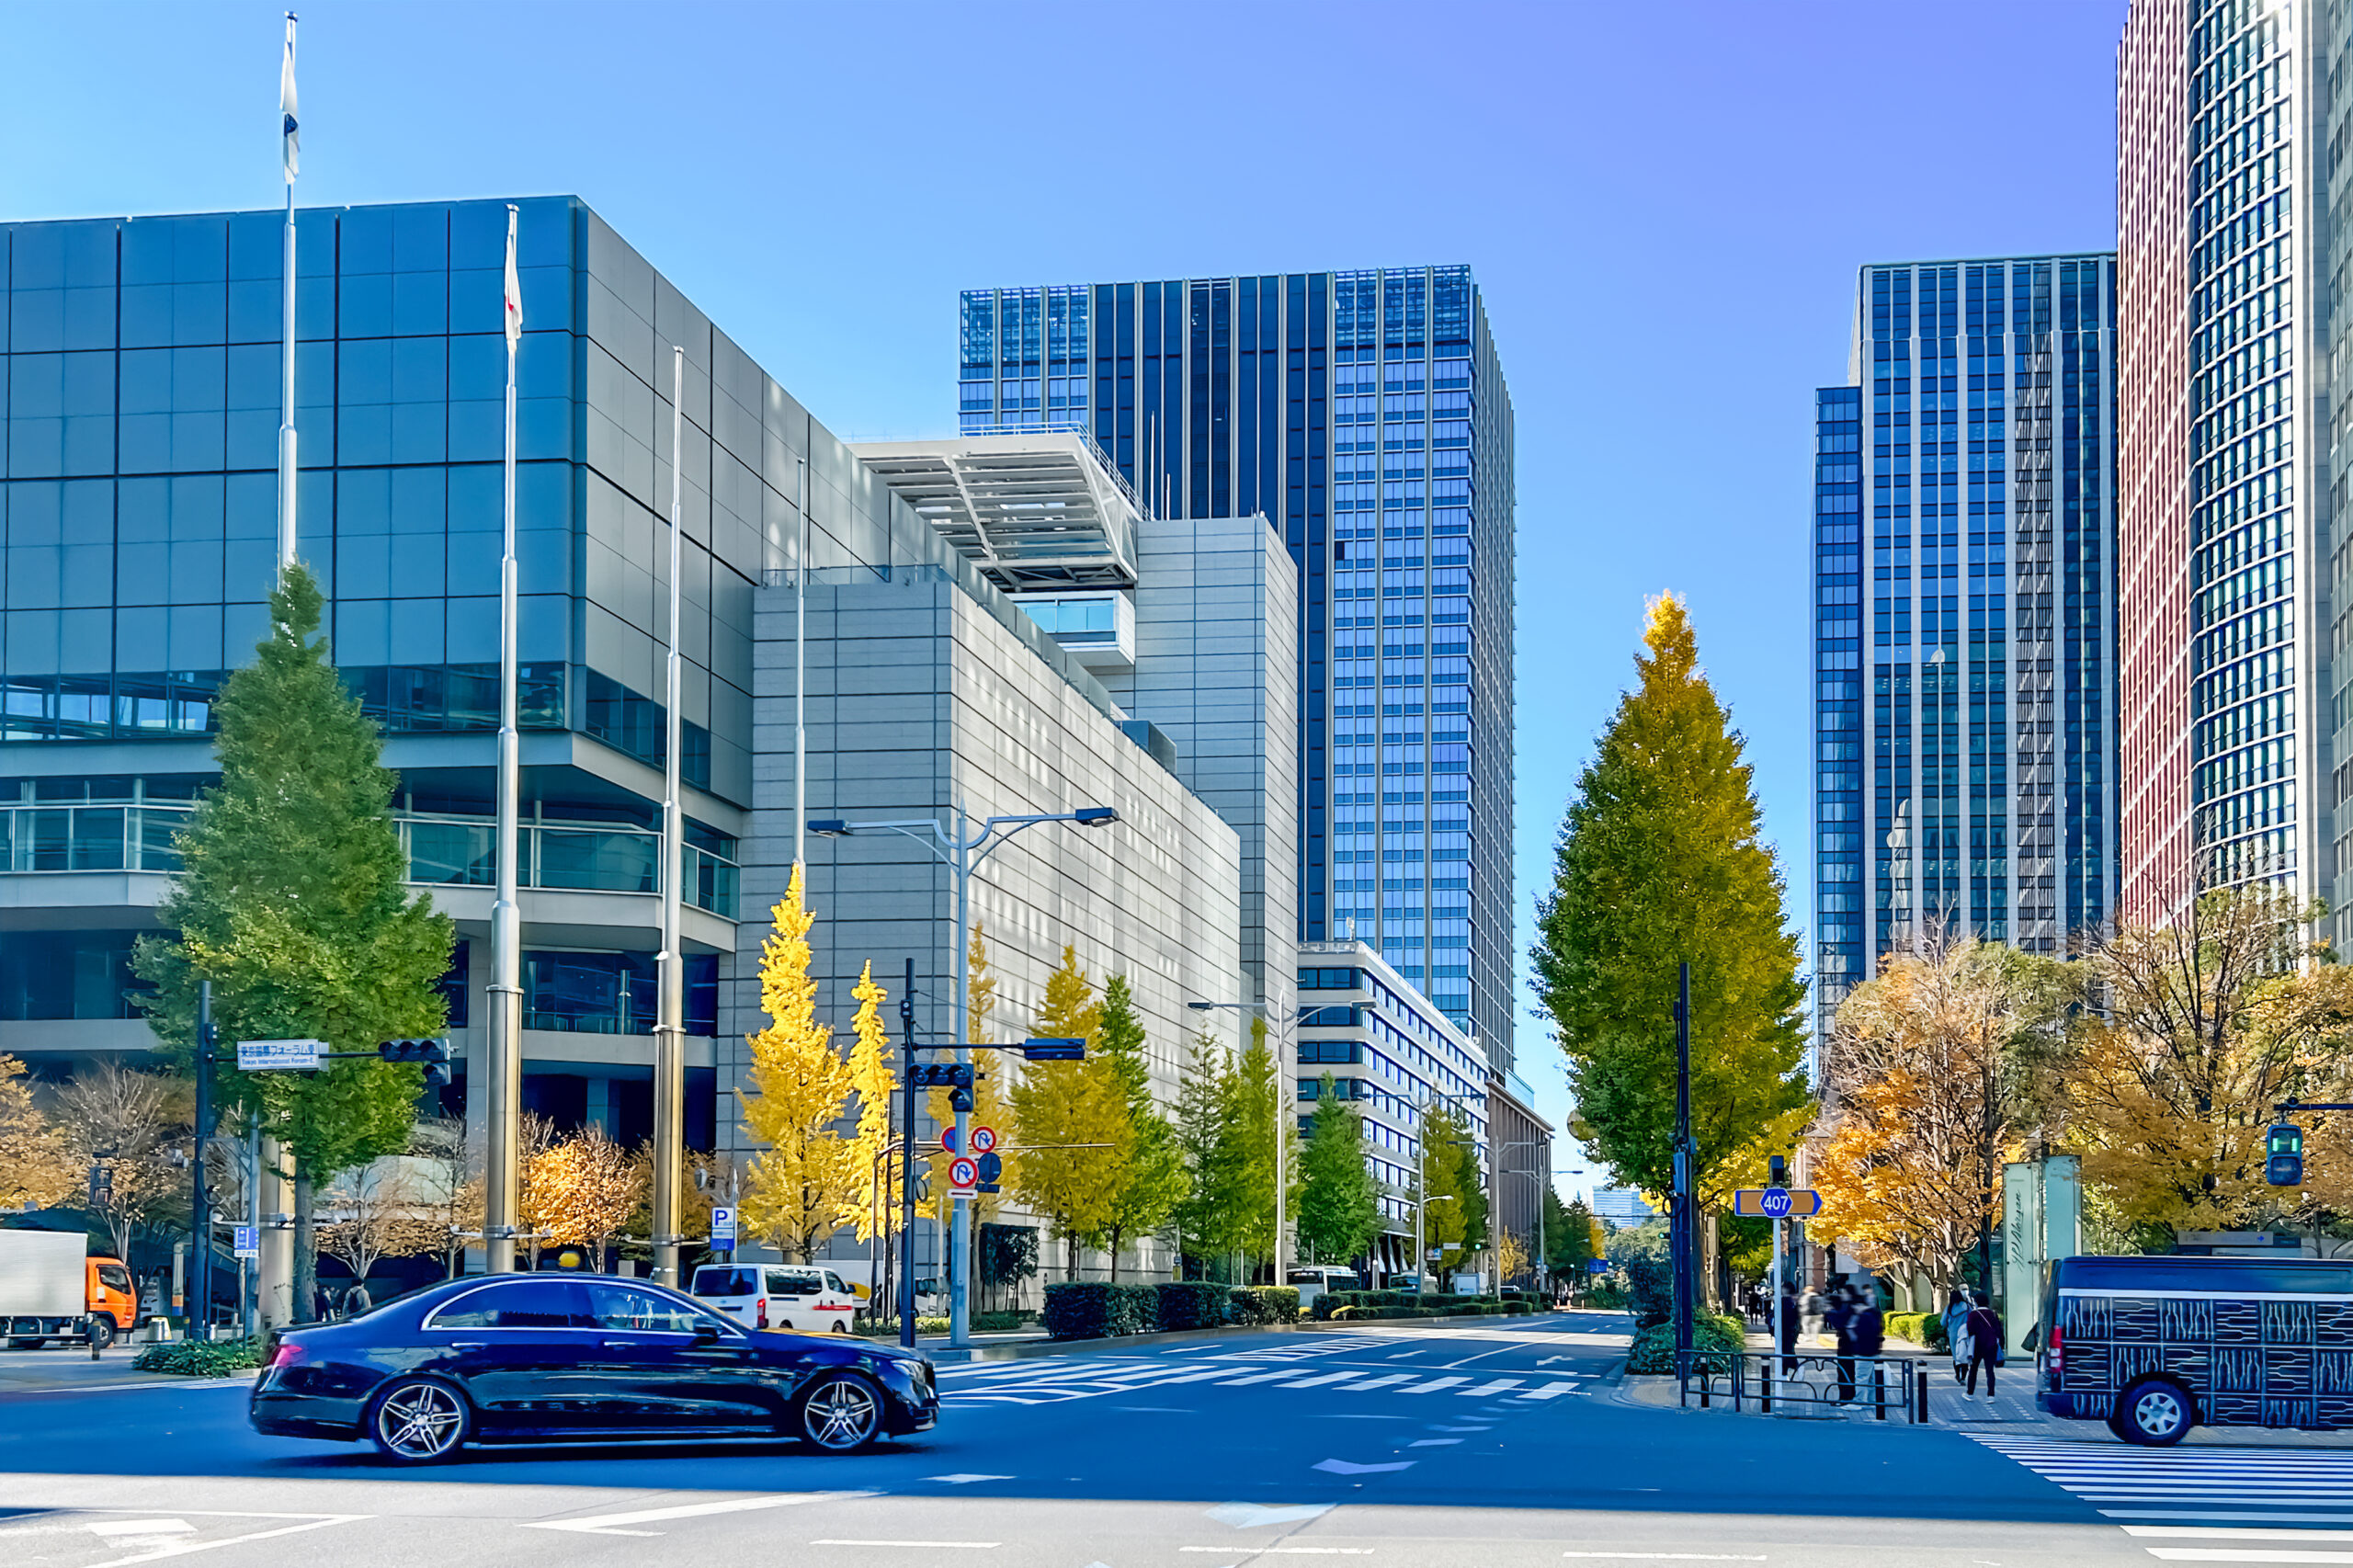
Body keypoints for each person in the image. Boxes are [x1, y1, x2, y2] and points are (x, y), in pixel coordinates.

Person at [1962, 1290, 2003, 1399]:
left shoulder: (1973, 1314)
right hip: (1991, 1345)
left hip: (1977, 1345)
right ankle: (1991, 1395)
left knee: (1973, 1369)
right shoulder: (1993, 1314)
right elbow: (1999, 1330)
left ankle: (1970, 1393)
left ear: (1976, 1302)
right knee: (1990, 1370)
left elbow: (1970, 1330)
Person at [1849, 1286, 1886, 1406]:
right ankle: (1873, 1401)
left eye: (1855, 1306)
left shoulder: (1864, 1317)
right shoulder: (1874, 1314)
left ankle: (1858, 1401)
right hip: (1874, 1350)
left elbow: (1858, 1333)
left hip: (1864, 1350)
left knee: (1861, 1377)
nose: (1854, 1308)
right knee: (1872, 1378)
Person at [1827, 1282, 1859, 1402]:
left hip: (1847, 1343)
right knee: (1846, 1370)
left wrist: (1831, 1314)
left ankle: (1846, 1396)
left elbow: (1841, 1323)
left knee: (1845, 1370)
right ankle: (1846, 1396)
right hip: (1847, 1343)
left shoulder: (1850, 1307)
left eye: (1844, 1293)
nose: (1842, 1295)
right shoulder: (1851, 1305)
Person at [1942, 1290, 1972, 1384]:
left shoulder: (1949, 1308)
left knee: (1956, 1356)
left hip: (1953, 1334)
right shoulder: (1967, 1307)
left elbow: (1942, 1322)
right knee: (1964, 1354)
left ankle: (1957, 1375)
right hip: (1965, 1334)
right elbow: (1972, 1319)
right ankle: (1963, 1377)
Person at [1777, 1283, 1802, 1377]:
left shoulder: (1784, 1300)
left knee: (1786, 1350)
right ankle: (1786, 1371)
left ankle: (1794, 1368)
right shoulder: (1794, 1300)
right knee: (1788, 1350)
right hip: (1791, 1329)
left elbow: (1783, 1315)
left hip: (1784, 1329)